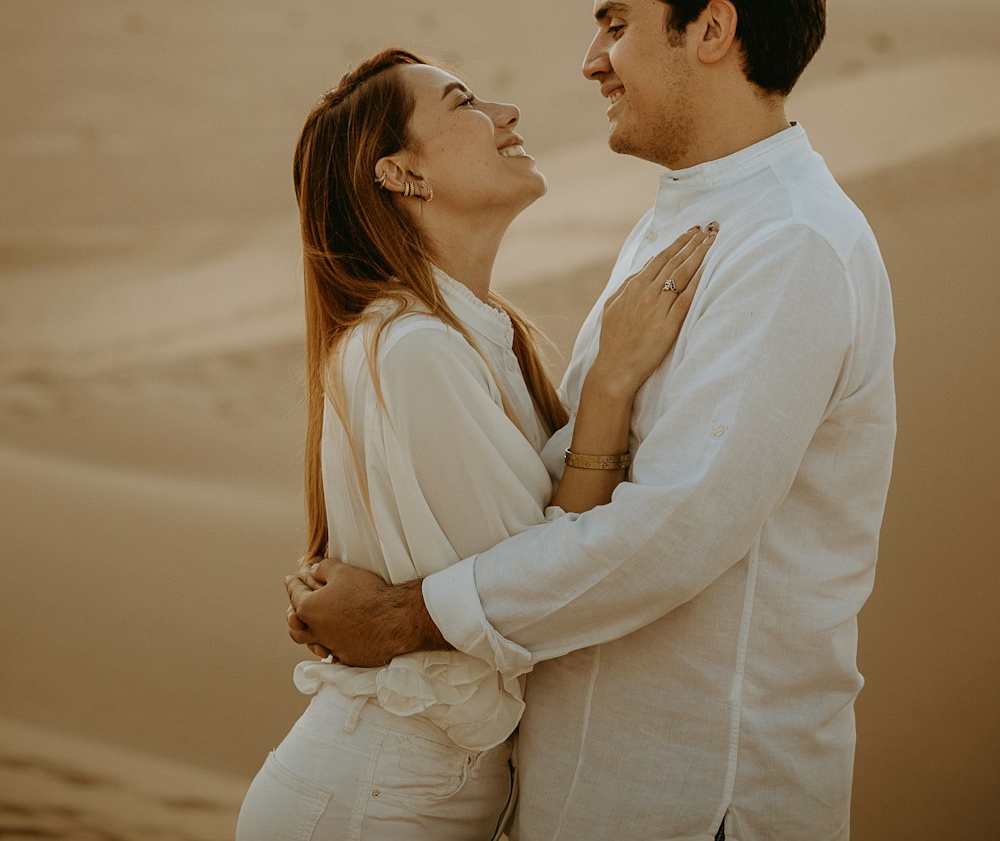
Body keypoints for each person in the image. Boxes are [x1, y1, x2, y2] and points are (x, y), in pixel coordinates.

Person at [287, 0, 897, 841]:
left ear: (709, 31)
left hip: (697, 799)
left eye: (616, 24)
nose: (590, 62)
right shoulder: (688, 225)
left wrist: (405, 619)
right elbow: (548, 494)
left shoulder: (788, 245)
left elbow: (672, 531)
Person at [236, 46, 716, 840]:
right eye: (464, 103)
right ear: (401, 174)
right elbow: (542, 588)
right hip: (374, 803)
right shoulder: (414, 349)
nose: (506, 114)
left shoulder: (466, 335)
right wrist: (608, 390)